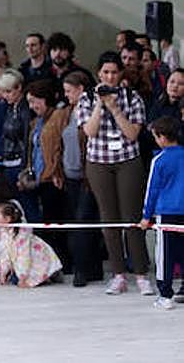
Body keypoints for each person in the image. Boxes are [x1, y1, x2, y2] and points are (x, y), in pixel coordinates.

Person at [76, 55, 153, 296]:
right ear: (99, 74)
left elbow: (132, 134)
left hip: (127, 160)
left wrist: (115, 108)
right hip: (99, 162)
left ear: (120, 74)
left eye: (114, 72)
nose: (110, 77)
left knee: (132, 218)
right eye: (106, 72)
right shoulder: (86, 98)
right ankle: (118, 274)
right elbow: (89, 131)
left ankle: (141, 273)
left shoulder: (132, 97)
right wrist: (100, 105)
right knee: (109, 220)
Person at [60, 70, 104, 286]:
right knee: (77, 220)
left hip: (88, 174)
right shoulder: (67, 112)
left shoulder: (91, 110)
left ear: (81, 89)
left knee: (84, 221)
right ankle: (91, 267)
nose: (66, 95)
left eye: (69, 91)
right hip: (70, 175)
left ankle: (83, 269)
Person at [139, 115, 184, 307]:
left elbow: (152, 190)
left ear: (162, 137)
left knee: (165, 255)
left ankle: (165, 295)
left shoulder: (159, 160)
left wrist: (146, 216)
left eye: (156, 137)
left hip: (167, 214)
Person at [25, 78, 71, 260]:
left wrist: (56, 170)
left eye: (34, 101)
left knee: (55, 222)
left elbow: (60, 146)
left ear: (45, 98)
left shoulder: (59, 116)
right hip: (40, 177)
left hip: (54, 177)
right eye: (29, 102)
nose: (32, 106)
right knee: (45, 222)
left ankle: (62, 260)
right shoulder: (37, 121)